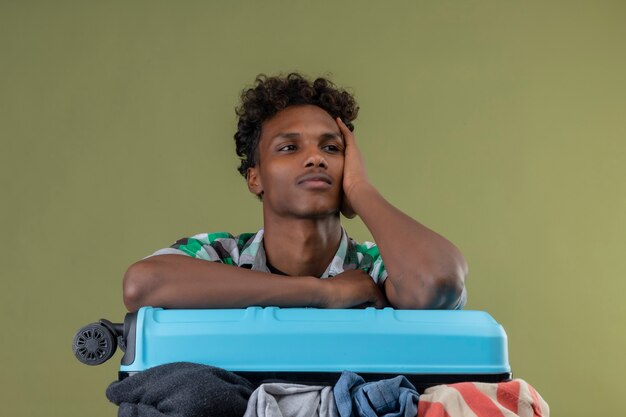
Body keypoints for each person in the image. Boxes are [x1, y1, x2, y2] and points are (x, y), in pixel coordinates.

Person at [122, 73, 467, 312]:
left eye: (332, 149)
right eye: (289, 148)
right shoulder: (222, 255)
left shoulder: (377, 268)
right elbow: (143, 283)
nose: (316, 157)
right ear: (255, 178)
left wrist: (361, 190)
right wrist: (322, 293)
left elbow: (437, 282)